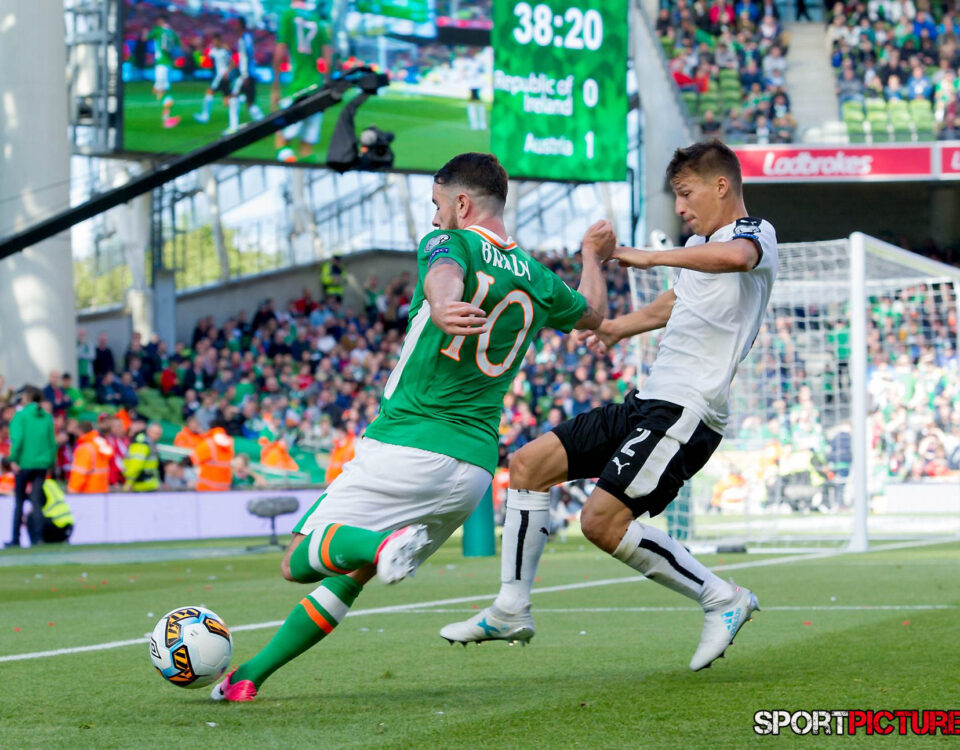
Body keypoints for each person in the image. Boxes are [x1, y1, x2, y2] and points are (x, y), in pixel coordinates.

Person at [211, 152, 613, 702]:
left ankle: (382, 545)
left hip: (410, 442)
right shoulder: (541, 279)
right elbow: (593, 313)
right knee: (350, 572)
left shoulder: (451, 242)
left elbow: (445, 275)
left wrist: (444, 304)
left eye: (437, 204)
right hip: (473, 470)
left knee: (299, 557)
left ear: (462, 204)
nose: (433, 216)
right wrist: (590, 255)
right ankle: (249, 676)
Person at [441, 140, 778, 673]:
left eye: (685, 194)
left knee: (601, 522)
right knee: (528, 465)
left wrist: (646, 255)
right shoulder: (700, 249)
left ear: (721, 186)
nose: (680, 208)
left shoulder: (754, 234)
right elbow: (677, 300)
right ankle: (510, 608)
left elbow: (736, 259)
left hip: (687, 412)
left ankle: (723, 598)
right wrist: (617, 328)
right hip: (649, 402)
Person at [272, 0, 333, 162]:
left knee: (281, 139)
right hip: (317, 87)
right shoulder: (317, 20)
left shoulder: (288, 15)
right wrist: (326, 88)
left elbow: (279, 54)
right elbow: (328, 59)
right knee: (307, 146)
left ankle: (287, 171)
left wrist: (275, 88)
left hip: (296, 88)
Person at [7, 387, 57, 547]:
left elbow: (17, 439)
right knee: (36, 501)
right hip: (42, 464)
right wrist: (50, 462)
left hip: (24, 463)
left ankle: (16, 539)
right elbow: (52, 442)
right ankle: (38, 538)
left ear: (27, 397)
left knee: (19, 502)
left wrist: (13, 459)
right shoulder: (46, 417)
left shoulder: (20, 416)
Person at [148, 13, 181, 128]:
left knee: (165, 90)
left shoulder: (158, 30)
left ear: (161, 21)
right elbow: (177, 47)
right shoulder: (173, 33)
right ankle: (166, 115)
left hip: (161, 64)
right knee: (163, 89)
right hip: (168, 64)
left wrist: (145, 32)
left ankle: (166, 118)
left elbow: (147, 37)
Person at [194, 34, 233, 125]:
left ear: (219, 41)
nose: (214, 43)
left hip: (221, 76)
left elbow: (232, 62)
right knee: (227, 101)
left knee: (209, 92)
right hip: (220, 76)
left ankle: (205, 116)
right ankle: (241, 103)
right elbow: (205, 60)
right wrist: (198, 51)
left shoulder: (224, 51)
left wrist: (228, 71)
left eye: (215, 41)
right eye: (213, 41)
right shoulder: (213, 51)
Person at [67, 421, 113, 494]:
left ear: (80, 431)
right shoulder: (100, 443)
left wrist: (72, 490)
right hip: (102, 491)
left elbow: (79, 473)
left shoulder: (85, 448)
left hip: (88, 492)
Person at [124, 423, 163, 492]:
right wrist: (129, 482)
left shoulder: (150, 443)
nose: (157, 436)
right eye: (155, 433)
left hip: (147, 484)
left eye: (159, 434)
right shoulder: (142, 443)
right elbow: (135, 464)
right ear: (148, 431)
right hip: (140, 485)